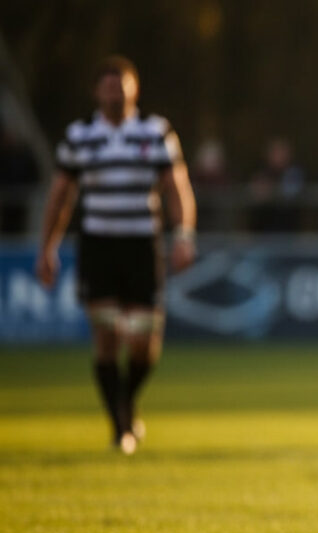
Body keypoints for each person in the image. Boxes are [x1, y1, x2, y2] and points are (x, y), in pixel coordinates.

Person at [36, 55, 196, 454]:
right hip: (99, 247)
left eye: (120, 83)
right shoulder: (79, 136)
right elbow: (61, 196)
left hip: (142, 245)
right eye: (106, 84)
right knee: (106, 339)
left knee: (144, 345)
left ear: (134, 88)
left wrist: (184, 235)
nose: (114, 91)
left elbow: (177, 187)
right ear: (96, 91)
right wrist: (48, 247)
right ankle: (121, 428)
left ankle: (124, 404)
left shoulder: (155, 132)